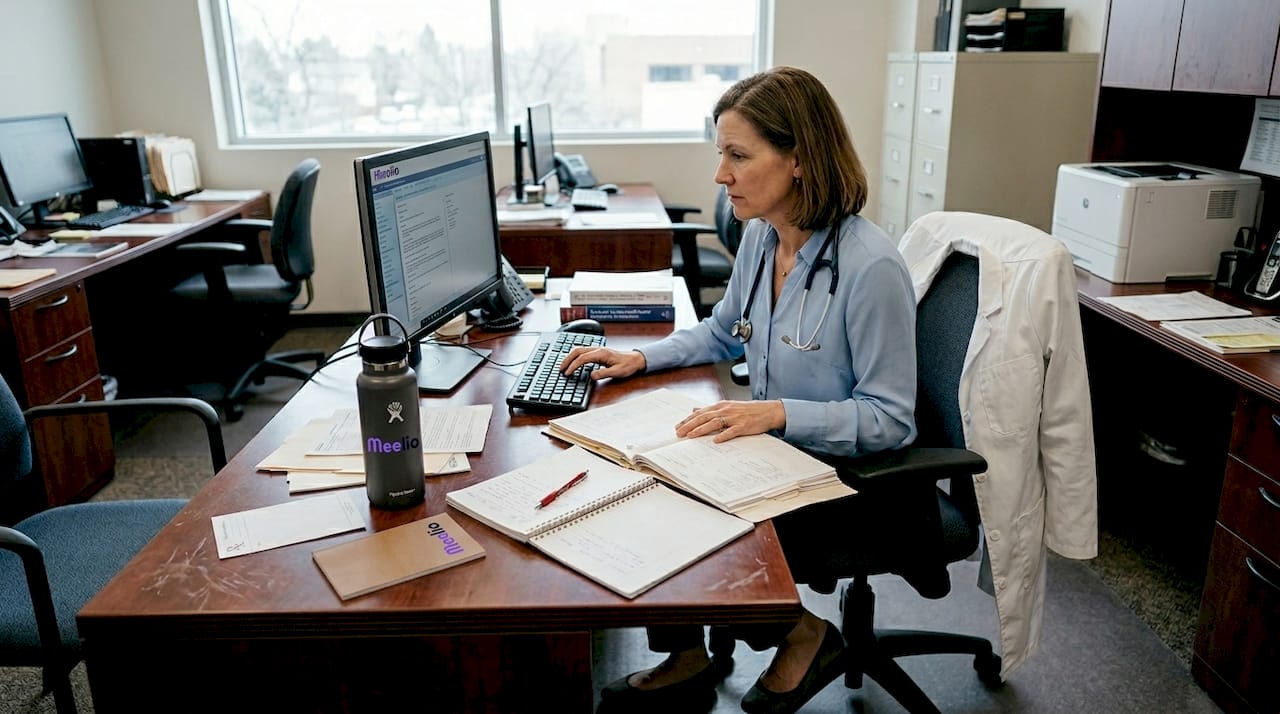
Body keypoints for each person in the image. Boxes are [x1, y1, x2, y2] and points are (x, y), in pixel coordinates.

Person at [560, 66, 918, 714]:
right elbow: (727, 331)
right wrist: (639, 357)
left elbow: (891, 420)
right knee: (642, 471)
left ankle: (804, 632)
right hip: (776, 451)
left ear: (800, 160)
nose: (720, 176)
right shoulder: (761, 237)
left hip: (849, 476)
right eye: (720, 153)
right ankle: (687, 653)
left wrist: (776, 414)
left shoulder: (871, 269)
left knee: (678, 508)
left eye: (738, 156)